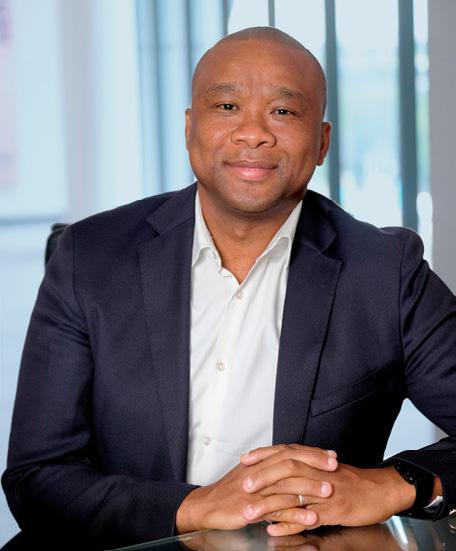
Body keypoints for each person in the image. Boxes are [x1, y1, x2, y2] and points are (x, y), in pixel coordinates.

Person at [2, 26, 456, 548]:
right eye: (226, 107)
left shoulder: (384, 270)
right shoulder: (90, 257)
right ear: (189, 127)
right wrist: (192, 507)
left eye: (283, 111)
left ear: (322, 142)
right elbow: (36, 477)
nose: (253, 133)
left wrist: (396, 484)